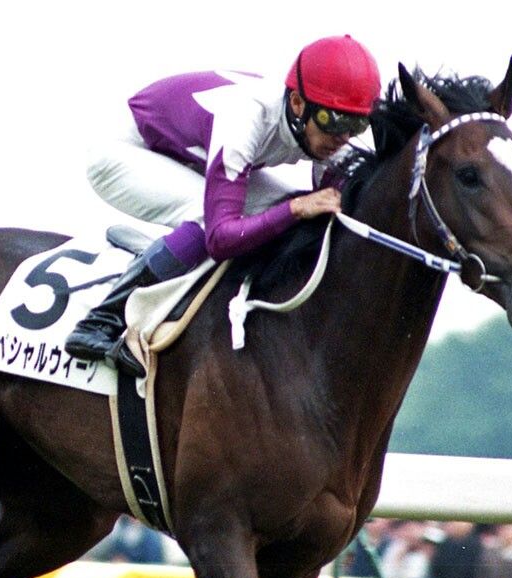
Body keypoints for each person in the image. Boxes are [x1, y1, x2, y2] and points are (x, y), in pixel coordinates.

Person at [66, 34, 381, 376]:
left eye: (355, 124)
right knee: (220, 217)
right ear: (297, 103)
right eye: (332, 122)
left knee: (288, 206)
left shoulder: (328, 130)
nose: (343, 137)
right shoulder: (246, 119)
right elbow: (221, 238)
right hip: (126, 152)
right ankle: (102, 320)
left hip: (189, 152)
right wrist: (295, 210)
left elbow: (334, 205)